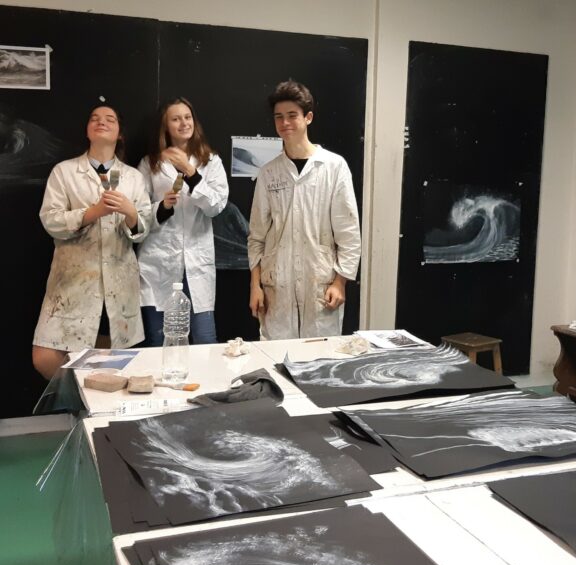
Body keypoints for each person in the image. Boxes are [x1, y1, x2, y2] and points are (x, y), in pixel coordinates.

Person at [32, 103, 151, 380]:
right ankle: (81, 397)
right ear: (87, 130)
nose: (101, 122)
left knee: (107, 361)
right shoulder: (64, 172)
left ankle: (90, 403)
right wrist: (92, 213)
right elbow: (50, 220)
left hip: (118, 281)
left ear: (120, 133)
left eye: (110, 119)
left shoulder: (133, 177)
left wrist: (131, 213)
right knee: (45, 357)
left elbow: (143, 228)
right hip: (72, 280)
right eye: (94, 118)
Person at [247, 80, 361, 340]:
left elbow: (348, 233)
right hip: (277, 289)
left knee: (319, 355)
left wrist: (340, 282)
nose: (285, 122)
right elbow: (256, 237)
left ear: (308, 117)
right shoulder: (268, 173)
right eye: (279, 117)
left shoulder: (333, 167)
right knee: (277, 356)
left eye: (292, 115)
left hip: (320, 286)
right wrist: (255, 286)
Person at [137, 97, 228, 346]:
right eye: (176, 119)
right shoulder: (150, 163)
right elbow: (138, 212)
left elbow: (216, 206)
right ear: (166, 126)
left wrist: (190, 172)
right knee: (159, 340)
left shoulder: (210, 161)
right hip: (158, 261)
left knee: (204, 338)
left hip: (197, 261)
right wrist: (163, 207)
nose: (183, 123)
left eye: (187, 117)